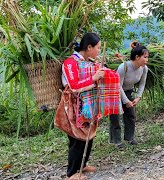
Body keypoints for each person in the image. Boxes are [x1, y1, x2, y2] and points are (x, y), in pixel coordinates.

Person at [61, 32, 122, 179]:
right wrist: (93, 78)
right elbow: (74, 85)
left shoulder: (88, 62)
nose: (99, 50)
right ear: (89, 47)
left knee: (89, 135)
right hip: (75, 105)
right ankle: (72, 173)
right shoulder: (70, 63)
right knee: (77, 137)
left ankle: (82, 165)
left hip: (88, 104)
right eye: (98, 48)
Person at [109, 41, 149, 147]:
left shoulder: (144, 69)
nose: (147, 60)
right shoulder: (124, 67)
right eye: (145, 57)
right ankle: (116, 141)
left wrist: (138, 97)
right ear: (137, 57)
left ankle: (129, 138)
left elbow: (142, 83)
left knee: (130, 115)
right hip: (114, 92)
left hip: (128, 91)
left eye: (147, 57)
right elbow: (117, 85)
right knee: (115, 117)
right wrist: (126, 101)